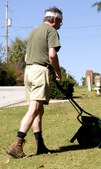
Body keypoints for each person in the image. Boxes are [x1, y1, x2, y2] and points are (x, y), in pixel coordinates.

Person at [6, 6, 63, 158]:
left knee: (39, 110)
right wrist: (58, 72)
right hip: (39, 72)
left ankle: (40, 145)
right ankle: (17, 144)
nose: (60, 26)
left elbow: (26, 55)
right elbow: (52, 55)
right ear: (55, 19)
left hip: (29, 71)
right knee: (33, 109)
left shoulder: (34, 31)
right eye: (60, 23)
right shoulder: (51, 31)